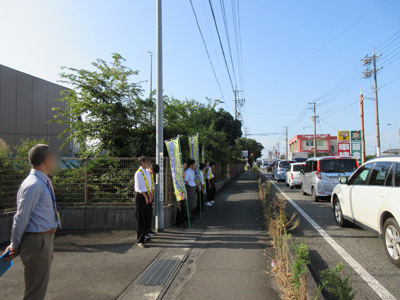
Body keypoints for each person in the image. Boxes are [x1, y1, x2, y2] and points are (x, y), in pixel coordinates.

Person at [1, 144, 61, 300]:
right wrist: (14, 245)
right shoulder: (34, 184)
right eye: (53, 157)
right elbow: (21, 217)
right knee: (35, 292)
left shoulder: (41, 181)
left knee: (38, 288)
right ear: (45, 160)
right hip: (37, 242)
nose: (56, 161)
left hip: (43, 239)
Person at [134, 156, 152, 248]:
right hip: (141, 196)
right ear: (142, 162)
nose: (149, 163)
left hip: (147, 195)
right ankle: (140, 240)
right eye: (147, 161)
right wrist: (146, 197)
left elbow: (148, 184)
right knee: (140, 218)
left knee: (147, 216)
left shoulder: (146, 172)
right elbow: (140, 187)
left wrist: (150, 195)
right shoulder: (139, 173)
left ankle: (145, 235)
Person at [145, 163, 159, 239]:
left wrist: (152, 194)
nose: (153, 173)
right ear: (150, 168)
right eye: (153, 172)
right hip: (146, 195)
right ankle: (146, 231)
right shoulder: (146, 173)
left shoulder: (151, 175)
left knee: (149, 213)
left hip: (150, 194)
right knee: (146, 214)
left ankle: (149, 229)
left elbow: (152, 185)